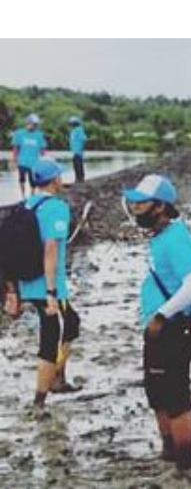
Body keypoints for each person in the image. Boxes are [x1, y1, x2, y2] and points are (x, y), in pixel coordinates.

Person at [124, 174, 191, 471]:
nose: (134, 209)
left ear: (160, 207)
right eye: (132, 204)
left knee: (175, 395)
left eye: (141, 204)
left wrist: (161, 315)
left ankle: (184, 464)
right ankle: (169, 452)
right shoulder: (160, 236)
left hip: (173, 328)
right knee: (156, 392)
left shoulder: (175, 238)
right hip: (158, 329)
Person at [17, 159, 81, 407]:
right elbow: (51, 249)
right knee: (52, 336)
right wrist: (52, 292)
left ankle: (58, 378)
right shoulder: (56, 207)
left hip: (27, 282)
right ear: (55, 180)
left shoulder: (27, 204)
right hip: (48, 287)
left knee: (70, 323)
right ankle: (40, 399)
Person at [11, 114, 49, 199]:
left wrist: (45, 161)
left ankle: (32, 196)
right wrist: (14, 160)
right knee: (22, 179)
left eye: (35, 125)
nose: (33, 126)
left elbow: (42, 149)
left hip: (34, 163)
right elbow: (16, 148)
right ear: (27, 123)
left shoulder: (39, 135)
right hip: (22, 161)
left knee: (33, 181)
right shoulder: (19, 133)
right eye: (32, 124)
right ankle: (23, 196)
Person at [68, 116, 88, 183]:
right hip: (75, 151)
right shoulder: (73, 131)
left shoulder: (79, 129)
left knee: (79, 165)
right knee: (75, 165)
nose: (71, 124)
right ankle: (77, 178)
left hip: (78, 151)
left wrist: (80, 149)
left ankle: (80, 178)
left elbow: (84, 139)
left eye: (72, 123)